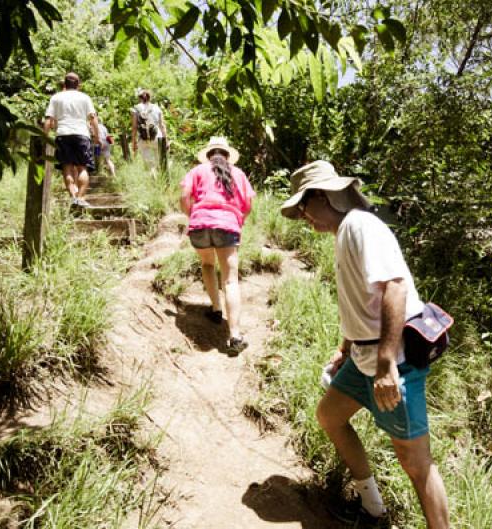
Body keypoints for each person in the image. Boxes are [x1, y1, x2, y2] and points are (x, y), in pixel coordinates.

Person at [280, 161, 450, 528]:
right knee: (330, 416)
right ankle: (372, 508)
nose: (305, 218)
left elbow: (395, 287)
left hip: (393, 361)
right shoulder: (346, 232)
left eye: (304, 208)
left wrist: (387, 365)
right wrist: (345, 348)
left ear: (323, 196)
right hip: (363, 356)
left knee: (416, 464)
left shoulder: (360, 226)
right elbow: (363, 301)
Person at [180, 137, 255, 354]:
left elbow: (185, 196)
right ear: (227, 155)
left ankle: (215, 310)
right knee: (231, 280)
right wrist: (239, 220)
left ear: (209, 154)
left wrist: (192, 215)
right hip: (227, 225)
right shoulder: (238, 173)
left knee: (207, 265)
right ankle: (235, 336)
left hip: (200, 224)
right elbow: (248, 204)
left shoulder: (197, 171)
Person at [43, 72, 100, 207]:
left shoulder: (56, 98)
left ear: (65, 83)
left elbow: (48, 120)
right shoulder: (85, 98)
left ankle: (73, 196)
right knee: (82, 168)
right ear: (78, 84)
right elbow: (93, 118)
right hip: (81, 134)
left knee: (67, 168)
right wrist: (97, 137)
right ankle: (80, 198)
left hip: (63, 134)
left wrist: (43, 138)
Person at [131, 89, 169, 176]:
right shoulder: (157, 108)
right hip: (157, 137)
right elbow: (162, 125)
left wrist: (133, 143)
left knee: (150, 165)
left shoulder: (136, 109)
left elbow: (134, 128)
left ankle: (153, 177)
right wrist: (166, 140)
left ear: (139, 98)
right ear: (150, 97)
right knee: (160, 162)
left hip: (143, 139)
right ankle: (161, 183)